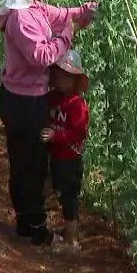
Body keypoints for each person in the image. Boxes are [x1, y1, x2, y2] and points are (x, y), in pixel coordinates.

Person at [0, 0, 97, 246]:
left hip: (29, 99)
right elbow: (41, 55)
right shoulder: (19, 18)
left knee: (27, 162)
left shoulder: (36, 8)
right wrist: (68, 35)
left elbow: (61, 15)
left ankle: (26, 225)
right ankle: (36, 229)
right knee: (30, 165)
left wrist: (84, 13)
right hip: (22, 104)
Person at [42, 48, 91, 250]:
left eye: (65, 75)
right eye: (58, 73)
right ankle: (45, 228)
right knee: (49, 189)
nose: (59, 78)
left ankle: (71, 240)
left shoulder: (77, 105)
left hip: (70, 160)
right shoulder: (54, 97)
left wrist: (56, 136)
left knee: (69, 197)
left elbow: (79, 133)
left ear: (75, 80)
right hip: (55, 157)